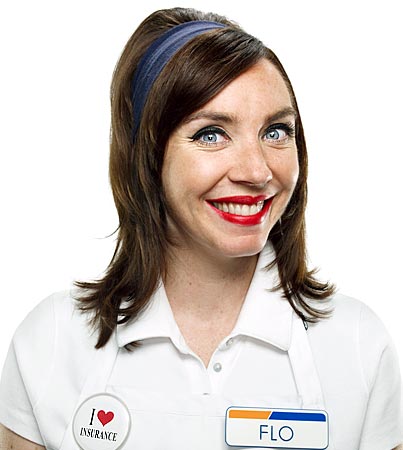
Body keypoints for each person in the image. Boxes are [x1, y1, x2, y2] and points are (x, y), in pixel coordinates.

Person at [0, 6, 402, 450]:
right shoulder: (52, 341)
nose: (257, 171)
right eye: (211, 134)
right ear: (147, 156)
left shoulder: (359, 345)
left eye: (275, 131)